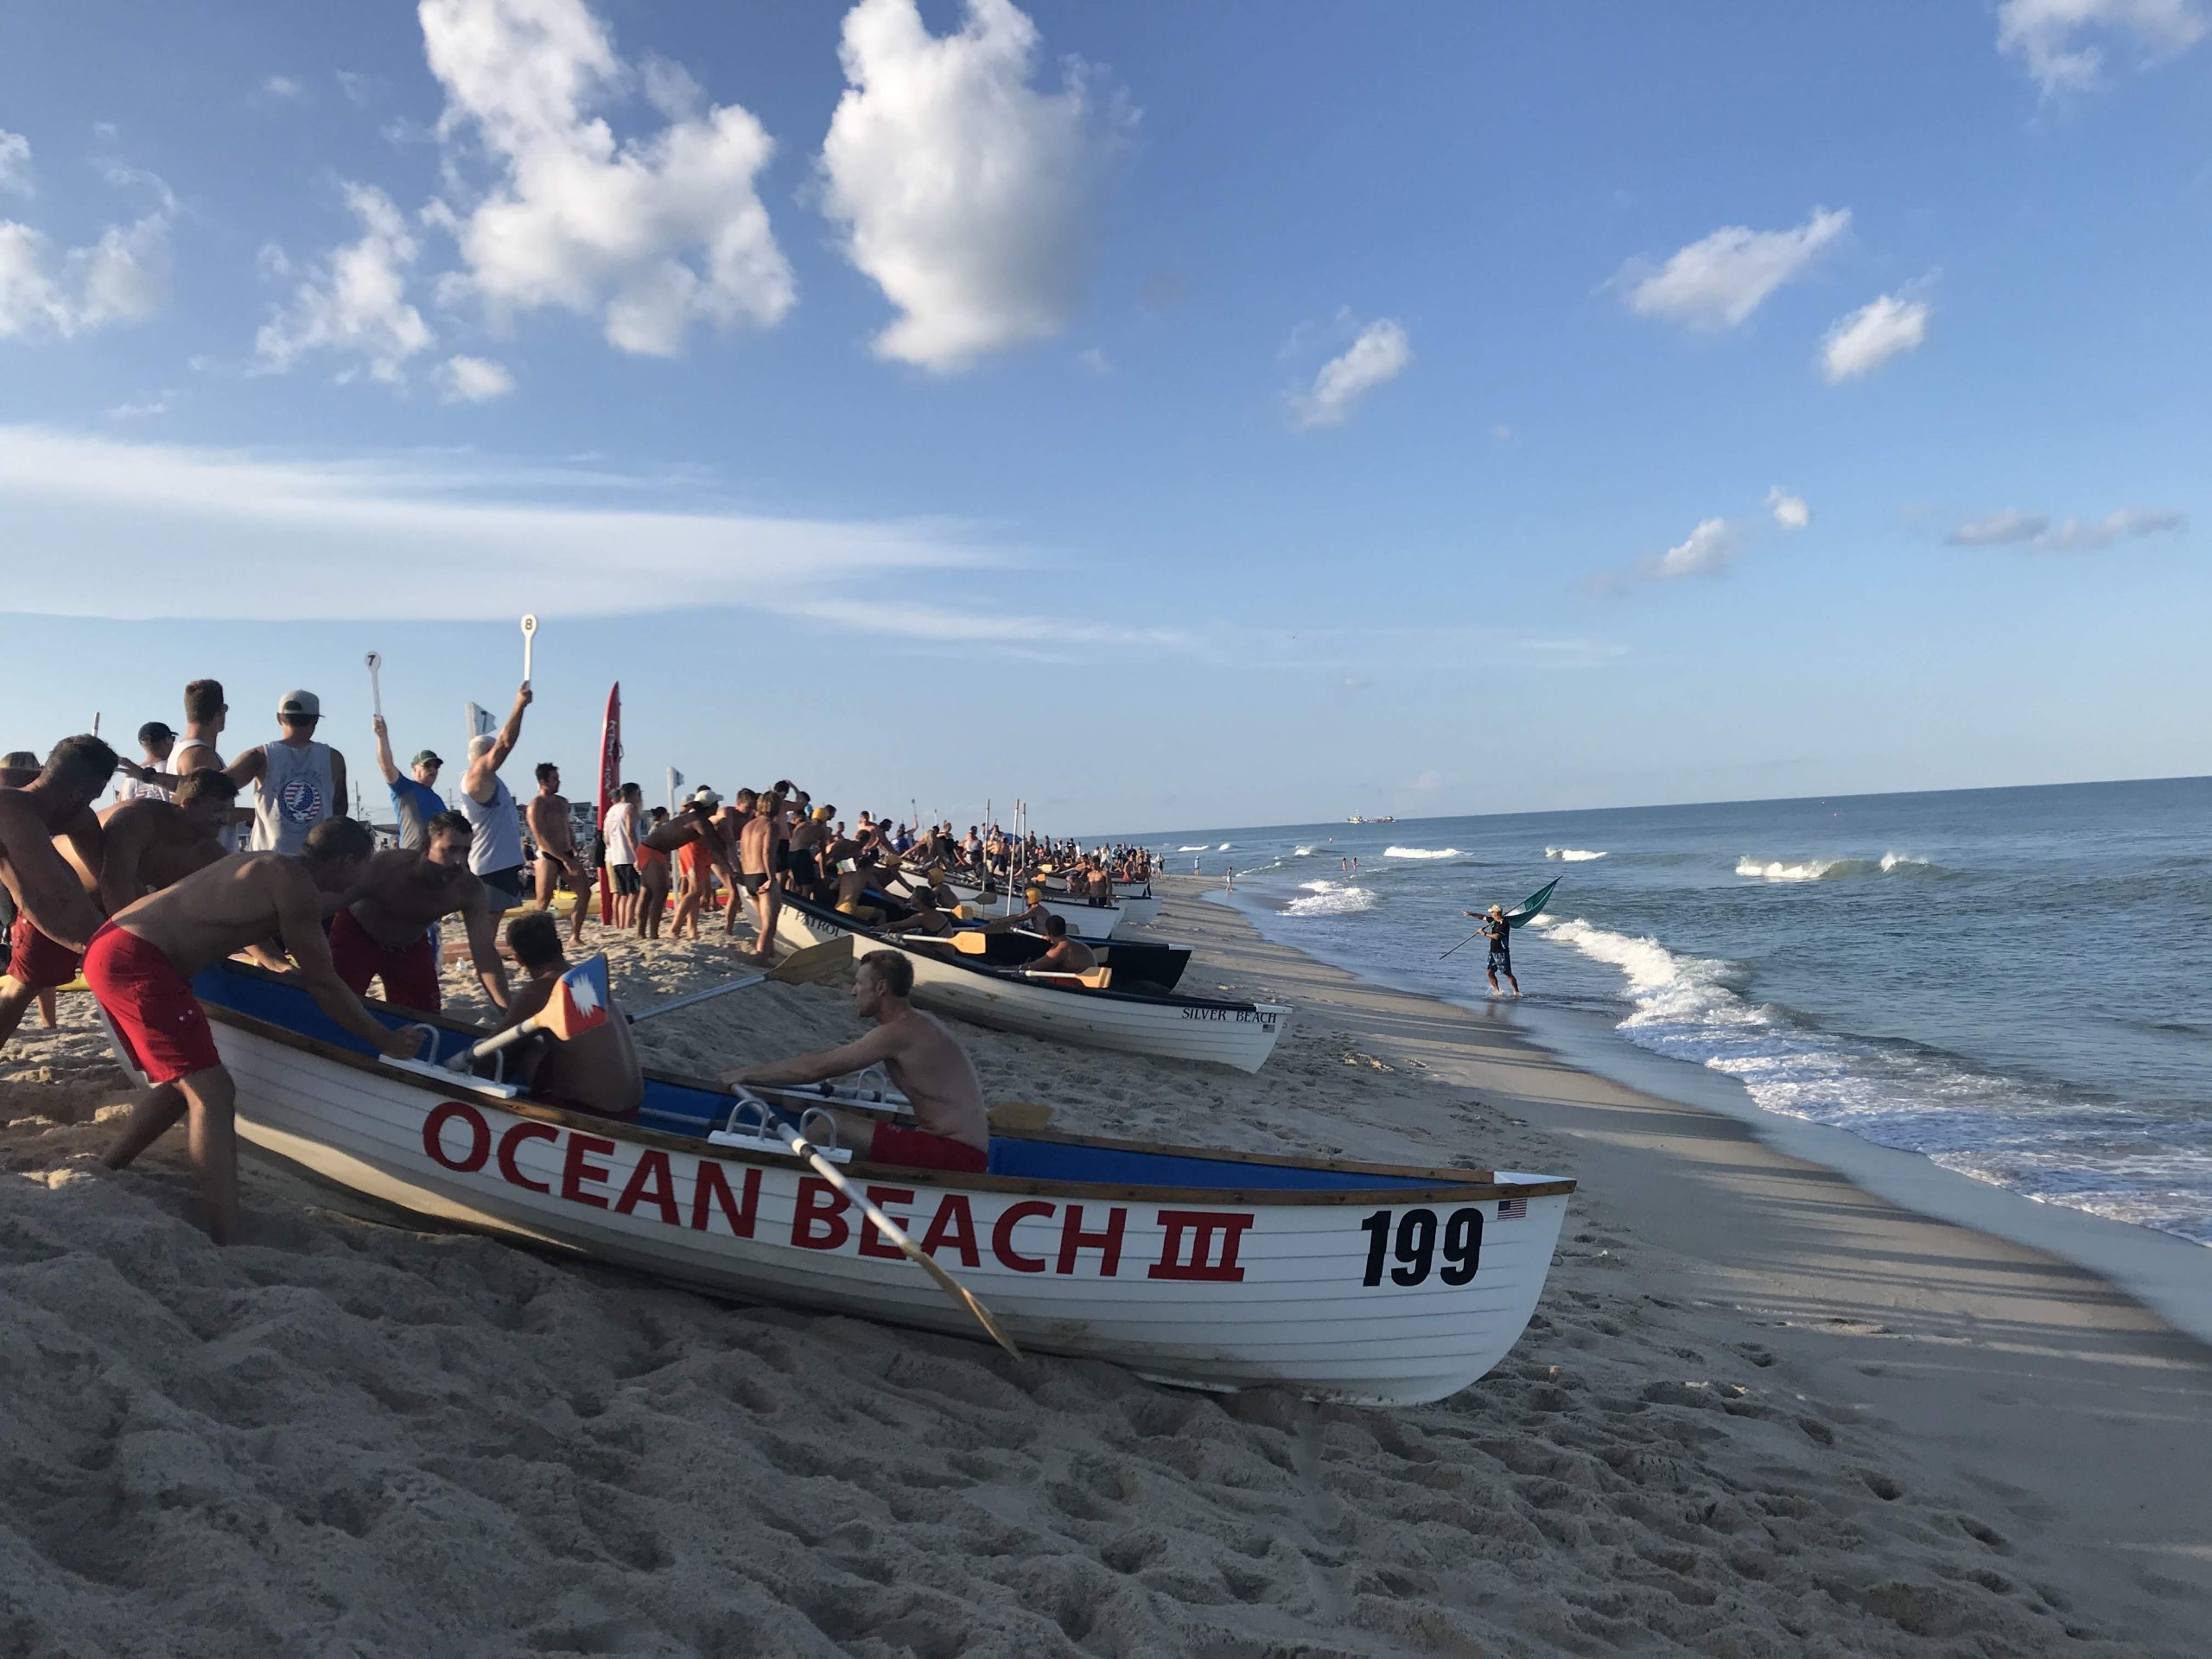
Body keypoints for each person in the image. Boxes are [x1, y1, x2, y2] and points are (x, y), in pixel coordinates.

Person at [93, 817, 416, 1243]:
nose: (360, 880)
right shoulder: (297, 885)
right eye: (363, 867)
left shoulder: (267, 863)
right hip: (137, 959)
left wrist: (271, 961)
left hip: (115, 943)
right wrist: (383, 1039)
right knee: (213, 1093)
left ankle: (108, 1169)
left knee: (184, 1081)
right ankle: (226, 1237)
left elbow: (229, 919)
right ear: (347, 861)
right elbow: (323, 982)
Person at [722, 949, 988, 1173]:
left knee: (827, 1124)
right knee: (844, 1129)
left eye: (859, 984)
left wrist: (748, 1073)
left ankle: (785, 1187)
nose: (853, 991)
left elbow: (815, 1069)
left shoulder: (898, 1032)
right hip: (955, 1146)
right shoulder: (919, 1022)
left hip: (956, 1154)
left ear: (881, 987)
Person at [0, 736, 118, 1054]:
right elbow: (49, 896)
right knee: (21, 988)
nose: (92, 804)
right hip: (29, 898)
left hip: (30, 897)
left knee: (24, 987)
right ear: (79, 793)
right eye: (93, 796)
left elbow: (109, 880)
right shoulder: (11, 810)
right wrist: (108, 944)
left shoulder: (75, 816)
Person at [333, 810, 509, 1013]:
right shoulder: (386, 866)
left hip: (409, 946)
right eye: (451, 850)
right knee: (336, 1007)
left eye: (466, 851)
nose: (460, 861)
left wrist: (507, 1010)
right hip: (357, 936)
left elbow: (484, 952)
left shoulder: (468, 889)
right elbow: (327, 904)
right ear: (426, 847)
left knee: (425, 1017)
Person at [495, 910, 641, 1118]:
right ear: (560, 945)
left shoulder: (540, 989)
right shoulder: (587, 977)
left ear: (518, 959)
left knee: (517, 1051)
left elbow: (499, 1045)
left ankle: (484, 1099)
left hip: (589, 1112)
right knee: (537, 1047)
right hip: (632, 1106)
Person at [95, 771, 239, 913]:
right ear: (187, 804)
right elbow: (114, 884)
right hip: (92, 905)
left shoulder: (212, 855)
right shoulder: (138, 821)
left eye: (229, 811)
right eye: (218, 810)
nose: (226, 820)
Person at [227, 690, 346, 855]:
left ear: (279, 718)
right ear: (315, 720)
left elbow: (214, 787)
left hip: (268, 862)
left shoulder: (261, 755)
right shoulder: (334, 758)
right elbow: (340, 810)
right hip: (317, 861)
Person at [459, 684, 531, 911]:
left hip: (500, 863)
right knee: (488, 919)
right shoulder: (477, 776)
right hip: (489, 866)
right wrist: (519, 705)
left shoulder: (491, 781)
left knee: (495, 916)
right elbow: (505, 743)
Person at [525, 761, 589, 943]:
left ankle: (575, 936)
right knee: (543, 900)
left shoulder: (562, 802)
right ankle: (532, 939)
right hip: (548, 855)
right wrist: (564, 859)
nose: (558, 782)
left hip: (566, 852)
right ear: (543, 781)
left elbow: (566, 826)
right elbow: (540, 837)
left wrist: (574, 847)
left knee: (584, 892)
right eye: (554, 779)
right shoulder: (536, 805)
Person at [372, 715, 445, 852]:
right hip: (411, 858)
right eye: (427, 765)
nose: (433, 769)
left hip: (434, 860)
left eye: (436, 766)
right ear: (414, 769)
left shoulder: (438, 799)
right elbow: (387, 767)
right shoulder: (404, 788)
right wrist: (382, 736)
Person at [735, 791, 781, 963]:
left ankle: (769, 954)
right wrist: (772, 878)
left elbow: (742, 852)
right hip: (763, 876)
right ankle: (761, 958)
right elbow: (767, 852)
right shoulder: (771, 826)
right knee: (769, 926)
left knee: (764, 924)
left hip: (749, 876)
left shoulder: (748, 826)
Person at [600, 781, 641, 928]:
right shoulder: (629, 809)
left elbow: (606, 837)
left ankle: (622, 925)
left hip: (615, 856)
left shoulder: (611, 810)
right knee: (634, 893)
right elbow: (631, 833)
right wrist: (637, 855)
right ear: (633, 794)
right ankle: (628, 923)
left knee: (623, 894)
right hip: (628, 856)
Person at [1462, 903, 1521, 998]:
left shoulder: (1504, 924)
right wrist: (1471, 914)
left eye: (1492, 912)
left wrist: (1483, 933)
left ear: (1497, 913)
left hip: (1502, 952)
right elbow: (1483, 917)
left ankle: (1516, 992)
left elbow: (1497, 936)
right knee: (1489, 972)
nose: (1491, 913)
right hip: (1492, 951)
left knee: (1507, 973)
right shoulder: (1493, 921)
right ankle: (1497, 991)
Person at [114, 721, 178, 803]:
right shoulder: (173, 768)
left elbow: (119, 805)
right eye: (173, 739)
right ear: (168, 740)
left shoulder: (128, 778)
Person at [636, 808, 672, 939]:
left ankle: (641, 932)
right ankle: (652, 933)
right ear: (663, 816)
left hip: (649, 857)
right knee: (657, 894)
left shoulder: (654, 828)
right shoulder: (658, 829)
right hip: (654, 859)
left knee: (646, 892)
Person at [1029, 912, 1096, 976]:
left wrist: (1023, 966)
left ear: (1048, 933)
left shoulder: (1060, 949)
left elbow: (1033, 967)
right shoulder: (1076, 945)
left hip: (1079, 982)